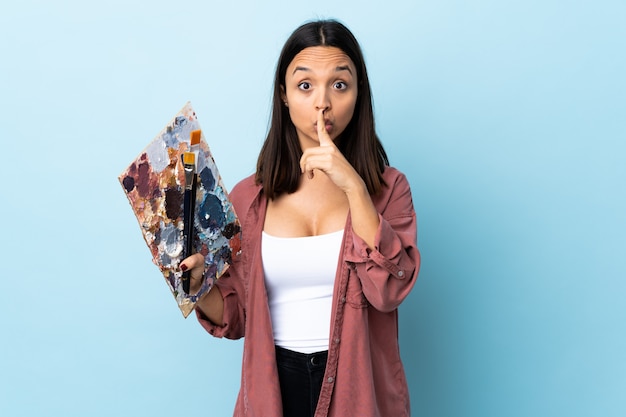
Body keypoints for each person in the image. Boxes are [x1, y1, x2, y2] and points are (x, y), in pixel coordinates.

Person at [180, 19, 420, 417]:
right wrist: (197, 286)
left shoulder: (389, 189)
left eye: (339, 85)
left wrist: (355, 188)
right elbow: (237, 317)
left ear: (359, 94)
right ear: (285, 95)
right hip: (273, 390)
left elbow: (389, 292)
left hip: (357, 391)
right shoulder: (249, 198)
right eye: (305, 85)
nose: (322, 102)